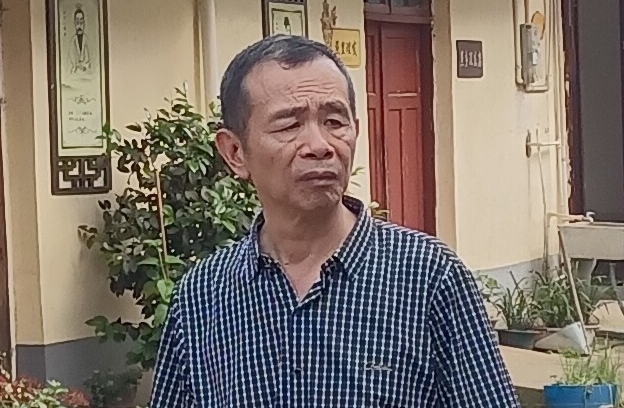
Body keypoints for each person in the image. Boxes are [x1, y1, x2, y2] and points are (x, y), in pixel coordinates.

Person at [149, 35, 520, 407]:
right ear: (234, 152)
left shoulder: (428, 278)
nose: (320, 145)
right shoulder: (203, 296)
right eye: (289, 126)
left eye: (334, 121)